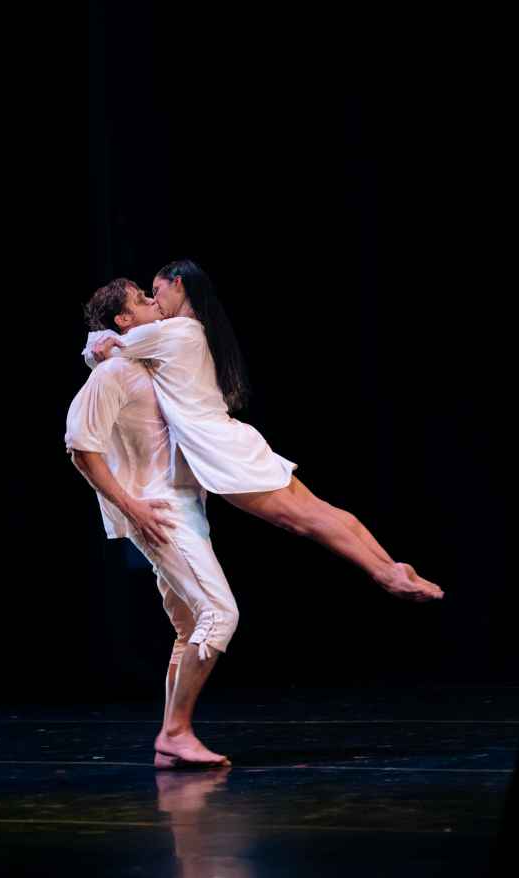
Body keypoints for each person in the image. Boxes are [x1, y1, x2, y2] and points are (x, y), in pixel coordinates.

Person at [83, 260, 445, 604]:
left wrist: (100, 348)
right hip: (232, 439)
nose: (154, 301)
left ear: (179, 285)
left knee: (305, 520)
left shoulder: (170, 331)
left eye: (156, 291)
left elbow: (101, 349)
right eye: (146, 297)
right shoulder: (195, 330)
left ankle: (386, 576)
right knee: (317, 511)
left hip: (221, 450)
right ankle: (391, 567)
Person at [66, 278, 236, 768]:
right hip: (158, 510)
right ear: (122, 320)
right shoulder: (112, 374)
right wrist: (130, 506)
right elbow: (80, 447)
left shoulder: (150, 362)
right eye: (142, 299)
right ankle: (176, 733)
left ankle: (172, 737)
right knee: (220, 615)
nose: (153, 301)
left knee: (189, 628)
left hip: (185, 507)